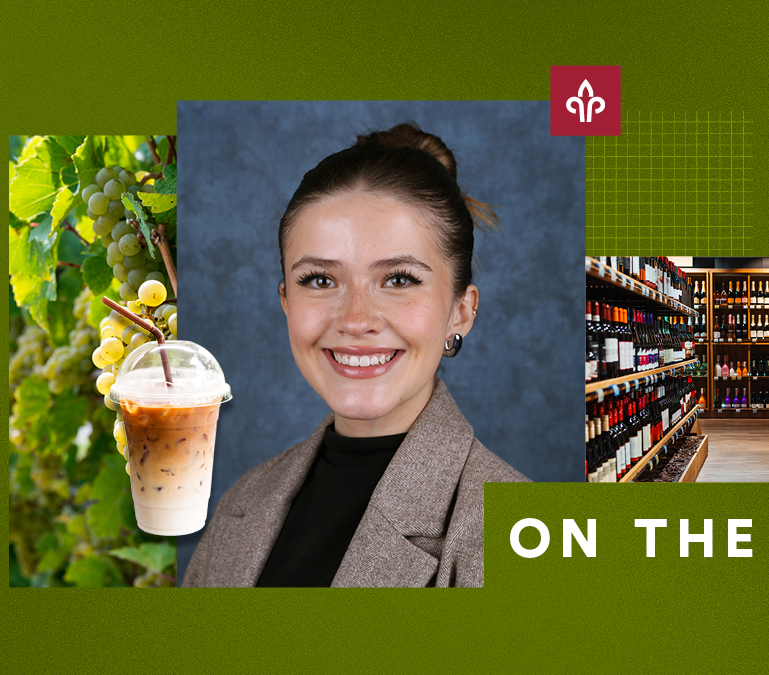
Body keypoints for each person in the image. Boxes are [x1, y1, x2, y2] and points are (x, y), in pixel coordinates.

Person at [183, 123, 529, 588]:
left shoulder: (514, 539)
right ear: (287, 301)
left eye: (400, 279)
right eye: (321, 280)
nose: (355, 319)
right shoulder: (240, 506)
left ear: (460, 312)